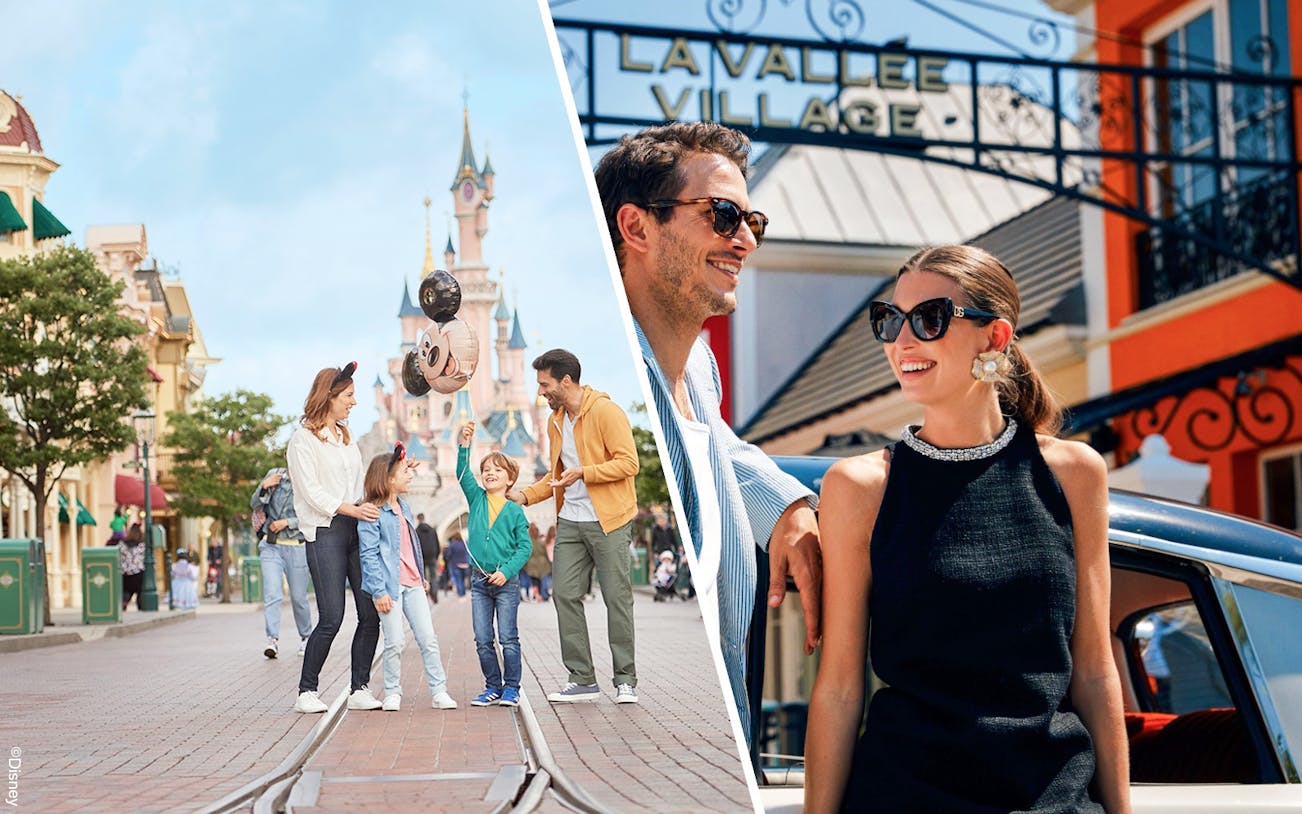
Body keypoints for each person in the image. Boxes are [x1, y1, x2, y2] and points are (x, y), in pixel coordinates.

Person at [804, 246, 1129, 813]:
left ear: (994, 338)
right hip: (903, 799)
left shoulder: (1075, 474)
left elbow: (1095, 672)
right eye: (889, 319)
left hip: (1053, 800)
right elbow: (838, 688)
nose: (902, 341)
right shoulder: (858, 487)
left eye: (929, 319)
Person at [594, 122, 821, 734]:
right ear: (636, 226)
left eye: (754, 222)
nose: (745, 240)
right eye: (722, 215)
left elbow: (717, 442)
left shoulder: (698, 367)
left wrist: (790, 506)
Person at [507, 349, 641, 705]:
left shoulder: (606, 412)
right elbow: (556, 477)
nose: (541, 392)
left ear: (566, 381)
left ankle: (625, 679)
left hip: (609, 520)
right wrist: (522, 496)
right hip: (571, 520)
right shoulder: (555, 421)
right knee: (564, 593)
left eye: (545, 384)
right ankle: (582, 679)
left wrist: (586, 472)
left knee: (617, 598)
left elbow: (630, 463)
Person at [287, 362, 383, 715]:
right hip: (325, 530)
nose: (354, 402)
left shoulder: (346, 438)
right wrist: (349, 508)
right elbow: (310, 491)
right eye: (348, 396)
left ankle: (360, 687)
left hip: (355, 529)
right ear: (329, 396)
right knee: (332, 616)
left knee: (369, 611)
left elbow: (359, 485)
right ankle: (306, 691)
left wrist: (382, 488)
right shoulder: (303, 440)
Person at [358, 444, 457, 712]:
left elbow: (410, 545)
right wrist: (379, 592)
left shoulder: (404, 507)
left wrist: (421, 575)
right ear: (388, 478)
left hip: (413, 585)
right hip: (389, 588)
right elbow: (368, 556)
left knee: (428, 639)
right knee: (395, 642)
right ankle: (392, 691)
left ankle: (439, 691)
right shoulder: (371, 512)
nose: (411, 475)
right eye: (404, 472)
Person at [456, 421, 532, 707]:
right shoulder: (476, 499)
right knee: (483, 638)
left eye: (497, 470)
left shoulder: (514, 511)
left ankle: (512, 687)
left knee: (508, 638)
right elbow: (462, 474)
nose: (490, 474)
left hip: (505, 583)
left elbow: (525, 547)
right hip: (478, 581)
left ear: (510, 479)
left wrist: (506, 571)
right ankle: (492, 686)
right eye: (486, 470)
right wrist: (465, 443)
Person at [252, 466, 313, 659]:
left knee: (298, 597)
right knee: (272, 594)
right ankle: (272, 640)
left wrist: (288, 522)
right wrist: (263, 487)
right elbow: (254, 505)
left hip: (297, 546)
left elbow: (313, 513)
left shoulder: (308, 477)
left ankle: (306, 637)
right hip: (271, 545)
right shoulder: (274, 475)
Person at [415, 513, 441, 604]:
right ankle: (435, 595)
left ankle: (425, 595)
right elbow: (437, 543)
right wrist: (437, 555)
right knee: (434, 577)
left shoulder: (416, 531)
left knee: (423, 577)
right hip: (432, 556)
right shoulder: (432, 530)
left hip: (422, 557)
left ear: (417, 519)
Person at [120, 522, 146, 611]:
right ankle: (140, 606)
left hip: (125, 573)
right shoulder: (142, 545)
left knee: (126, 591)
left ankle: (124, 602)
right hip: (139, 573)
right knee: (140, 591)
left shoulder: (122, 544)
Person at [444, 533, 470, 599]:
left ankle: (461, 594)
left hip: (456, 564)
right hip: (465, 564)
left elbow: (448, 555)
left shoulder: (452, 544)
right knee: (463, 579)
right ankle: (463, 592)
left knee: (459, 579)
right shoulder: (464, 543)